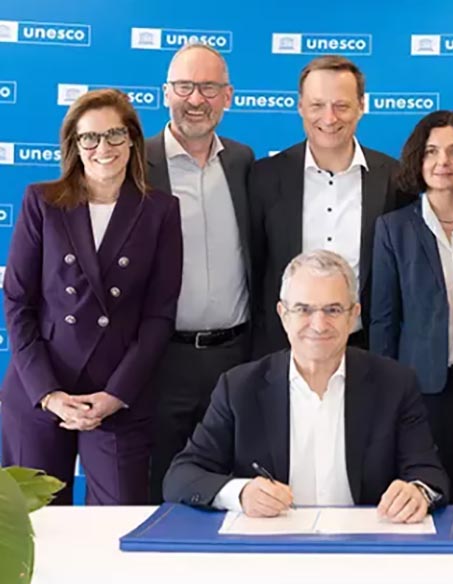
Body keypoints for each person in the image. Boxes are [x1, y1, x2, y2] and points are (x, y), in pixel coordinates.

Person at [163, 250, 449, 522]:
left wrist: (418, 492)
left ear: (353, 315)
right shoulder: (239, 388)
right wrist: (240, 493)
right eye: (303, 309)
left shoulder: (395, 384)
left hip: (365, 544)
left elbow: (429, 473)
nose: (319, 324)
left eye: (333, 310)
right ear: (283, 314)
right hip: (273, 545)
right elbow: (181, 476)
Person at [1, 89, 182, 505]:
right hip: (40, 389)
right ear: (75, 144)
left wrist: (115, 394)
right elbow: (18, 302)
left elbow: (159, 315)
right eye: (90, 137)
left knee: (116, 521)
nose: (104, 148)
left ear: (132, 140)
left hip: (116, 393)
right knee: (35, 524)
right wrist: (48, 394)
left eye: (115, 135)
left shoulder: (160, 211)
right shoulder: (43, 202)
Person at [145, 43, 256, 503]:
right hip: (160, 361)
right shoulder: (135, 162)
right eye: (185, 86)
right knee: (158, 491)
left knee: (235, 493)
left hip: (235, 358)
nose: (196, 99)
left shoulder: (243, 161)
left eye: (208, 88)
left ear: (228, 96)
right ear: (165, 93)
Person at [370, 111, 453, 503]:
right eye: (432, 151)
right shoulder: (393, 228)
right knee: (431, 490)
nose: (443, 161)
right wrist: (385, 389)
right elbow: (384, 318)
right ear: (417, 159)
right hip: (423, 385)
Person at [250, 55, 408, 357]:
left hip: (368, 351)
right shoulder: (264, 177)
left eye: (341, 106)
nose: (329, 117)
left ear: (361, 106)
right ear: (300, 106)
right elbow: (254, 268)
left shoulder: (393, 178)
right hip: (284, 351)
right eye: (317, 105)